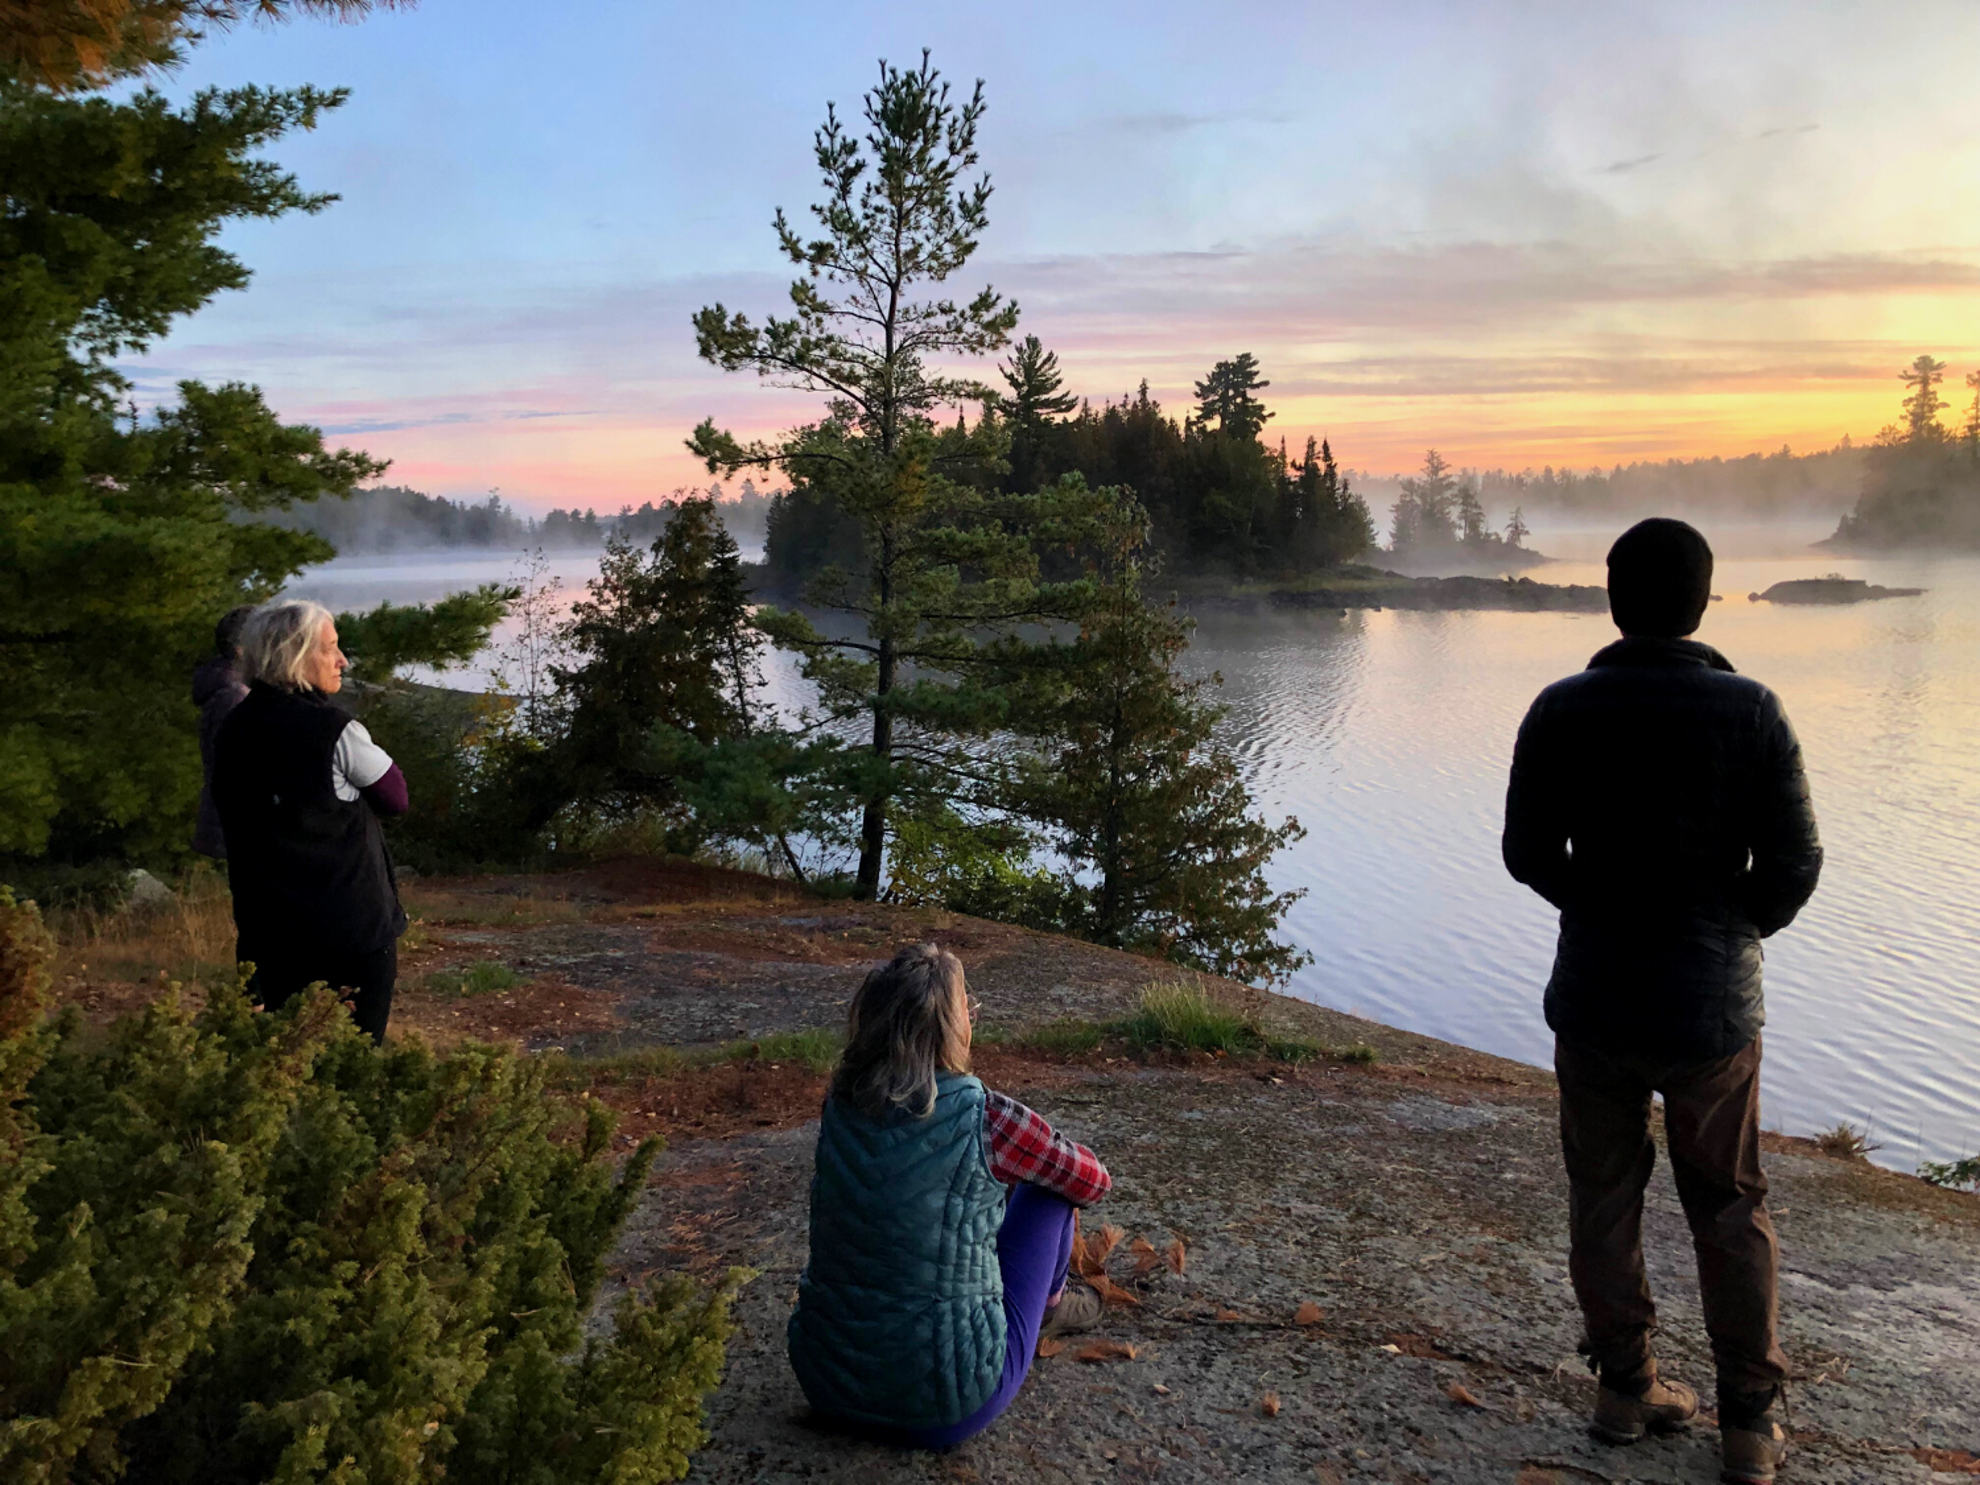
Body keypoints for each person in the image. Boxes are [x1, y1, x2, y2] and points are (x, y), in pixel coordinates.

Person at [1502, 519, 1822, 1485]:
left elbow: (1526, 854)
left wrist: (1597, 906)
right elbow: (1796, 861)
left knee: (1603, 1193)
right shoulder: (1754, 709)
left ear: (1611, 595)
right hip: (1710, 1011)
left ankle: (1624, 1390)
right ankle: (1750, 1428)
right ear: (1705, 597)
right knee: (1728, 1204)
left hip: (1595, 998)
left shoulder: (1560, 707)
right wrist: (1732, 932)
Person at [788, 943, 1111, 1448]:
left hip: (826, 1384)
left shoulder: (840, 1104)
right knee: (1050, 1194)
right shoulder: (990, 1117)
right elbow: (1092, 1181)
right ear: (952, 1029)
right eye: (969, 1011)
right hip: (946, 1406)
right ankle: (1050, 1307)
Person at [212, 599, 410, 1042]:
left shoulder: (233, 731)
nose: (343, 660)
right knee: (354, 1063)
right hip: (350, 931)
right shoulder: (335, 731)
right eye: (331, 648)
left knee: (289, 1061)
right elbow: (395, 796)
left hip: (271, 934)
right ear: (296, 657)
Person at [192, 605, 255, 859]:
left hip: (232, 822)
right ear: (241, 649)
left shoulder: (229, 690)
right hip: (239, 825)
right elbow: (237, 770)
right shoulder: (235, 698)